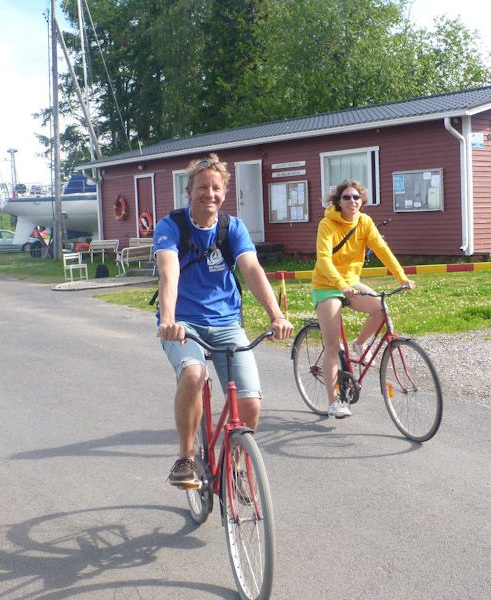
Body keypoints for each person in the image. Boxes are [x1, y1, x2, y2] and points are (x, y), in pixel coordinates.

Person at [154, 153, 293, 487]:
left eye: (216, 188)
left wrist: (276, 315)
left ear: (224, 193)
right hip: (184, 324)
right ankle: (186, 457)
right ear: (189, 191)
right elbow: (168, 272)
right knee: (193, 373)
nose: (210, 194)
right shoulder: (171, 226)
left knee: (250, 403)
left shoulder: (233, 228)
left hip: (227, 323)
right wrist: (170, 319)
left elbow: (252, 270)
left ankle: (235, 464)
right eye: (202, 187)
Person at [312, 180, 415, 418]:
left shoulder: (365, 222)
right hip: (327, 285)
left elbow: (382, 249)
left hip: (351, 282)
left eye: (356, 197)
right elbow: (324, 259)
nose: (352, 201)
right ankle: (333, 402)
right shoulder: (327, 224)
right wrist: (341, 285)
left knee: (380, 307)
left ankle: (359, 343)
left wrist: (402, 277)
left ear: (362, 201)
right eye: (347, 197)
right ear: (338, 201)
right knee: (331, 345)